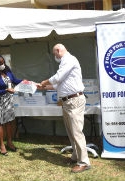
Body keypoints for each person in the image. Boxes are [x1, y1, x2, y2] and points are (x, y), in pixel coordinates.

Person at [38, 44, 91, 173]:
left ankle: (84, 162)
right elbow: (59, 85)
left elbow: (57, 78)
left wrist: (45, 82)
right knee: (71, 131)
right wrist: (43, 87)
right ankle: (75, 156)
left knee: (76, 131)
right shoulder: (66, 62)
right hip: (68, 101)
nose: (55, 56)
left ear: (58, 50)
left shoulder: (69, 59)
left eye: (54, 53)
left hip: (74, 100)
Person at [0, 54, 23, 155]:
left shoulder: (7, 70)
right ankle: (2, 144)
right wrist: (5, 90)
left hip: (9, 99)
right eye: (0, 63)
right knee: (0, 122)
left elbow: (14, 81)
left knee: (9, 121)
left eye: (3, 62)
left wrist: (24, 82)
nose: (2, 64)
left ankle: (10, 142)